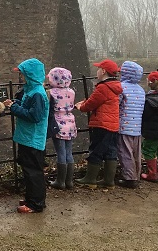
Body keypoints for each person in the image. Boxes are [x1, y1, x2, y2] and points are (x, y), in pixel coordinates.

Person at [3, 58, 49, 214]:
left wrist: (14, 107)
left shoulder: (37, 93)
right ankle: (32, 199)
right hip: (27, 137)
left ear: (29, 75)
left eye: (22, 74)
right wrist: (16, 102)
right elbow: (27, 107)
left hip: (32, 138)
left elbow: (34, 116)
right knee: (29, 170)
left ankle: (36, 203)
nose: (20, 77)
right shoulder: (32, 90)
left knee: (33, 171)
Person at [74, 59, 122, 188]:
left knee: (96, 150)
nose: (97, 71)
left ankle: (90, 179)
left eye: (98, 68)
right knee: (111, 151)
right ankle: (109, 181)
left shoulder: (103, 87)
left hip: (102, 124)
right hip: (113, 124)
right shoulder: (115, 86)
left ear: (103, 71)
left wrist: (80, 106)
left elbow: (91, 104)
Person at [45, 67, 77, 190]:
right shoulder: (71, 92)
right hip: (70, 123)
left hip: (57, 124)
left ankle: (60, 181)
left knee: (61, 153)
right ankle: (69, 181)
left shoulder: (51, 93)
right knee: (69, 153)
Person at [116, 61, 145, 188]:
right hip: (137, 127)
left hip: (124, 126)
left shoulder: (121, 87)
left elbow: (116, 104)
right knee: (136, 153)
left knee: (125, 152)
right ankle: (136, 175)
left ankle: (129, 178)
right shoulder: (141, 90)